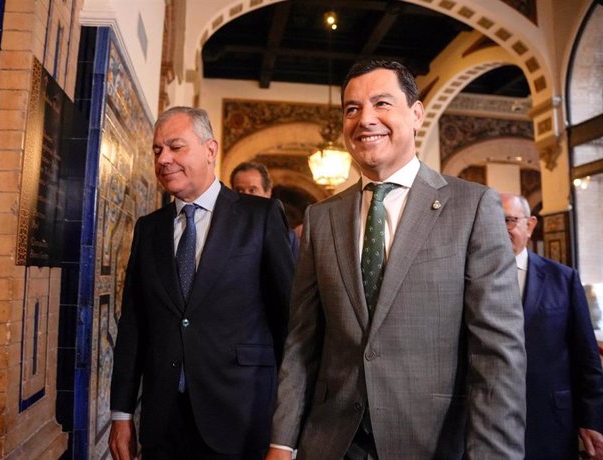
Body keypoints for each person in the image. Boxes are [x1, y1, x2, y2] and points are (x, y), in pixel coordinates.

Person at [266, 59, 526, 460]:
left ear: (417, 113)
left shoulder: (472, 207)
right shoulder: (321, 218)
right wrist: (282, 443)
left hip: (431, 443)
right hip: (333, 443)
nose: (365, 119)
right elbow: (302, 343)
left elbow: (497, 355)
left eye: (382, 103)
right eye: (352, 109)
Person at [109, 106, 294, 460]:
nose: (164, 159)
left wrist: (285, 432)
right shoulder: (149, 230)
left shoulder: (261, 217)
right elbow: (134, 325)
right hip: (163, 425)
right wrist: (122, 413)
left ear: (210, 150)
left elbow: (289, 325)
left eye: (176, 147)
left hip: (241, 418)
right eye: (157, 150)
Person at [500, 192, 603, 460]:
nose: (501, 229)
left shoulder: (563, 279)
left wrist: (592, 420)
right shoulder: (468, 279)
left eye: (509, 220)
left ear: (530, 225)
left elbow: (586, 356)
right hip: (488, 422)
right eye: (493, 221)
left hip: (551, 421)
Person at [230, 161, 299, 259]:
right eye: (239, 190)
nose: (245, 196)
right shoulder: (223, 231)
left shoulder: (288, 237)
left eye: (252, 190)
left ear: (268, 192)